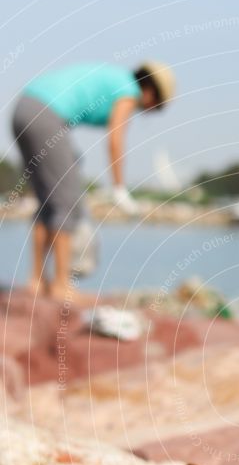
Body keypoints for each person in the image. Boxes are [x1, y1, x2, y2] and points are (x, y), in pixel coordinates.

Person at [11, 60, 176, 302]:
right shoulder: (129, 91)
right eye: (157, 106)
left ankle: (36, 281)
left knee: (48, 200)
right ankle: (60, 285)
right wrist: (119, 188)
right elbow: (115, 141)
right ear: (151, 91)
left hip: (24, 109)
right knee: (65, 203)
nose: (150, 111)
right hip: (45, 115)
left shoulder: (116, 79)